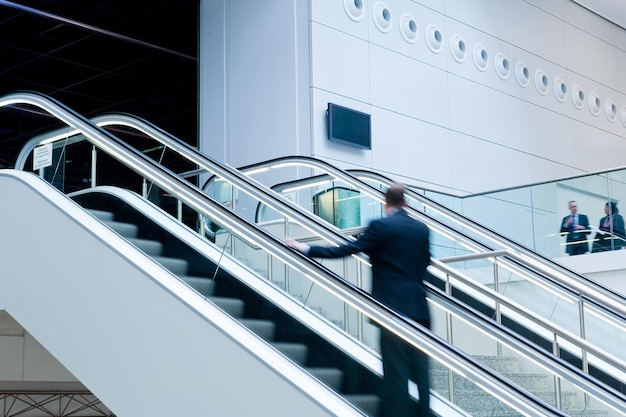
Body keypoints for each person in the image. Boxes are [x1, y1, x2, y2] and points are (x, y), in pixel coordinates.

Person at [286, 183, 432, 417]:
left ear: (386, 204)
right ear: (405, 203)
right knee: (422, 375)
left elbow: (346, 250)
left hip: (391, 311)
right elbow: (425, 263)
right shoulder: (421, 229)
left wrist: (305, 248)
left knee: (396, 375)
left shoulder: (380, 227)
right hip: (419, 309)